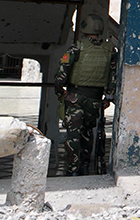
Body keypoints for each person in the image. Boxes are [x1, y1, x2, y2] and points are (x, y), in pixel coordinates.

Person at [54, 14, 118, 176]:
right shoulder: (110, 49)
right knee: (88, 133)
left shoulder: (77, 47)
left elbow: (62, 71)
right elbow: (113, 75)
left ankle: (73, 169)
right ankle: (84, 165)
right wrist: (108, 97)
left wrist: (60, 91)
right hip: (95, 99)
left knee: (73, 134)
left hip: (75, 96)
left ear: (83, 28)